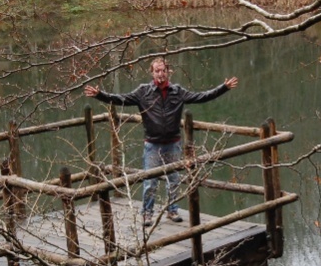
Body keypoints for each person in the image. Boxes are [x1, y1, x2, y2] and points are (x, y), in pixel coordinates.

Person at [85, 57, 239, 226]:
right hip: (152, 144)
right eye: (157, 71)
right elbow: (120, 99)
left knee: (173, 180)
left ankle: (172, 210)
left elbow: (201, 97)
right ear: (152, 73)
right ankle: (147, 213)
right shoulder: (143, 92)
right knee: (150, 182)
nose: (161, 74)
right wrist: (100, 95)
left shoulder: (177, 91)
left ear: (168, 72)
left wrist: (223, 88)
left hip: (173, 143)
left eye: (163, 70)